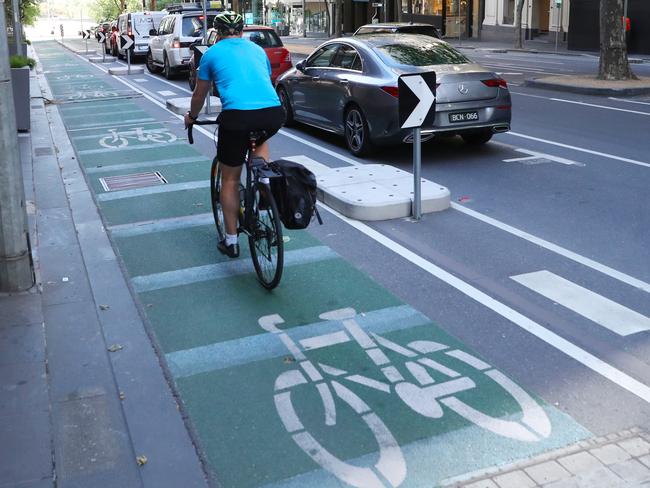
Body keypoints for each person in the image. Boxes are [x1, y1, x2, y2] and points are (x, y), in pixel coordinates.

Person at [184, 11, 285, 259]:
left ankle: (231, 242)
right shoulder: (258, 50)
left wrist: (192, 117)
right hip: (273, 114)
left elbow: (200, 94)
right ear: (241, 32)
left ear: (217, 34)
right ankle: (264, 182)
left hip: (237, 117)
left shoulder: (211, 54)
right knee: (260, 139)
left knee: (229, 180)